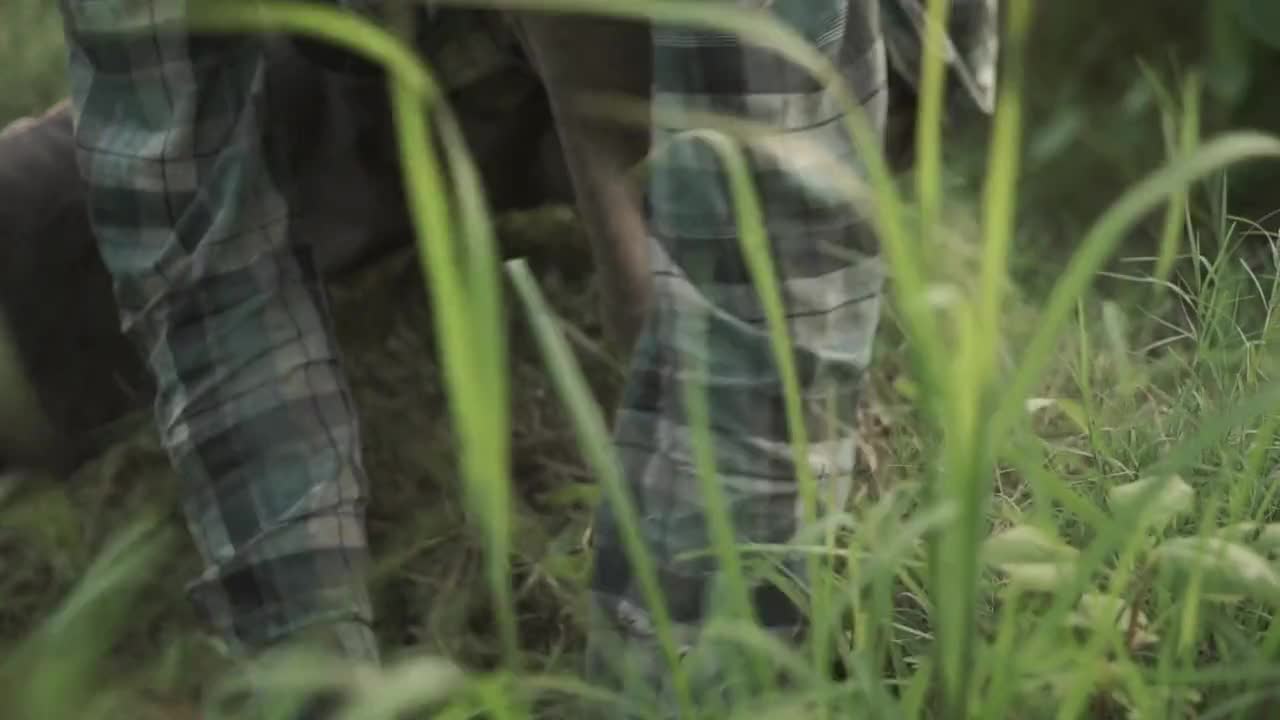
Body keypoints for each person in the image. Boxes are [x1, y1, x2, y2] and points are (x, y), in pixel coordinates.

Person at [55, 0, 996, 715]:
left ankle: (629, 207)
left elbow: (766, 285)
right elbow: (201, 270)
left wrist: (668, 678)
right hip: (422, 61)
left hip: (827, 55)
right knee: (32, 246)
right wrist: (316, 679)